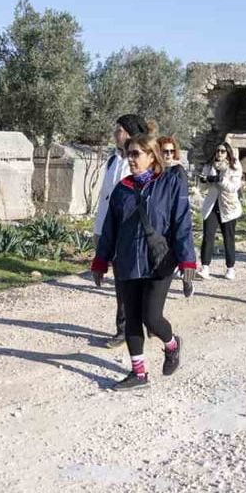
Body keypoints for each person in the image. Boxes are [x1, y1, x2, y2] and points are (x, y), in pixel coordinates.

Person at [91, 133, 196, 391]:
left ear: (152, 156)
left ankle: (172, 344)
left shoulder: (170, 184)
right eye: (128, 154)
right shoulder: (122, 189)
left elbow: (182, 223)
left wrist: (187, 262)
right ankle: (139, 373)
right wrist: (101, 261)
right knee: (132, 319)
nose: (131, 159)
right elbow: (109, 229)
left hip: (159, 262)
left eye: (136, 154)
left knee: (152, 318)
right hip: (127, 262)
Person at [93, 114, 150, 348]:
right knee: (121, 283)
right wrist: (98, 230)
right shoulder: (112, 161)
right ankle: (125, 327)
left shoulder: (139, 163)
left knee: (132, 283)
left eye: (119, 130)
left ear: (129, 134)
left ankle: (138, 323)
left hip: (131, 233)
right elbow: (105, 199)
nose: (115, 134)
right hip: (109, 229)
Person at [198, 142, 243, 280]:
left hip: (228, 206)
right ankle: (205, 267)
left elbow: (233, 187)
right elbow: (202, 188)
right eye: (218, 150)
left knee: (228, 237)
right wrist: (205, 181)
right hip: (212, 205)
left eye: (223, 151)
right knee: (208, 235)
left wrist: (219, 180)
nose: (219, 153)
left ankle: (230, 268)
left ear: (228, 153)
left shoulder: (235, 166)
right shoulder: (209, 166)